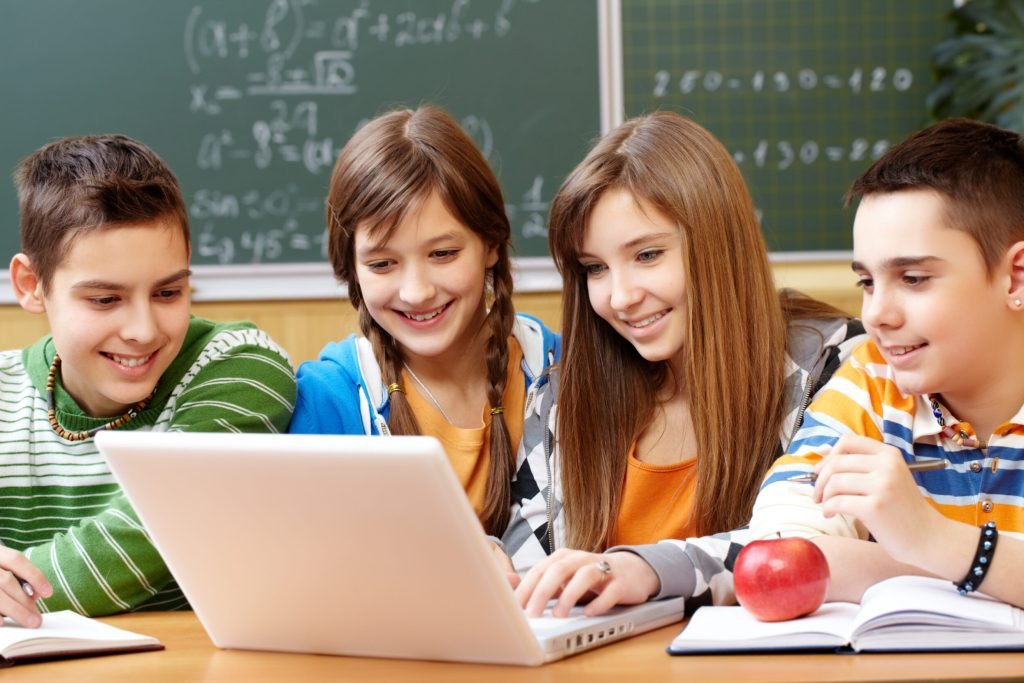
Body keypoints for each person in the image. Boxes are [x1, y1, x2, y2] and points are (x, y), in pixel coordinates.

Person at [504, 111, 865, 616]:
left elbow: (803, 551)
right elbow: (527, 577)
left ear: (716, 244)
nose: (622, 296)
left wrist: (646, 569)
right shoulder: (562, 396)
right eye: (595, 269)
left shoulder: (835, 365)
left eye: (648, 255)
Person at [0, 134, 297, 627]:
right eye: (104, 299)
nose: (142, 331)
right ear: (32, 286)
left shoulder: (242, 366)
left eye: (167, 291)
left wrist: (12, 597)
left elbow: (143, 538)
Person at [749, 118, 1024, 609]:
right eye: (867, 283)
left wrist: (932, 540)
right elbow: (779, 553)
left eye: (914, 278)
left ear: (1016, 278)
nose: (876, 314)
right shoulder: (874, 379)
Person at [289, 105, 560, 540]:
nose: (416, 292)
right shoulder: (328, 402)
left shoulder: (558, 370)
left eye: (442, 254)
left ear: (490, 245)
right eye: (382, 263)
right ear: (352, 269)